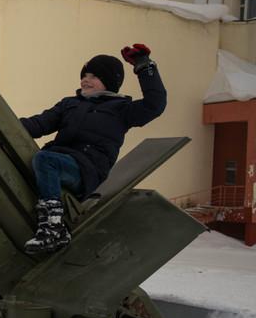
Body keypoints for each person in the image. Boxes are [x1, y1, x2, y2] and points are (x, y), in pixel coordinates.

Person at [20, 43, 166, 253]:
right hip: (59, 162)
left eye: (94, 76)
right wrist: (0, 125)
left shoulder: (122, 110)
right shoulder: (69, 103)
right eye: (84, 75)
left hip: (86, 170)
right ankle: (50, 221)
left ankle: (54, 228)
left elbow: (155, 104)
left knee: (45, 159)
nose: (85, 80)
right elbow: (39, 124)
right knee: (39, 159)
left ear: (109, 82)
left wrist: (144, 66)